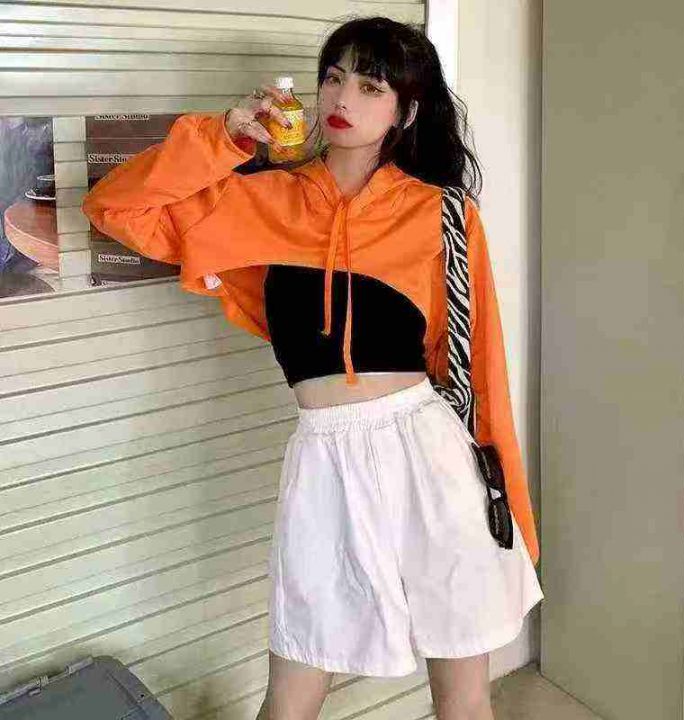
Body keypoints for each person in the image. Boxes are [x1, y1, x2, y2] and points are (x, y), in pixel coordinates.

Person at [82, 16, 544, 720]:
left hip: (431, 457)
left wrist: (511, 508)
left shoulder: (441, 214)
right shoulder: (260, 200)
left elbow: (480, 368)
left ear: (406, 111)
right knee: (291, 694)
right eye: (334, 77)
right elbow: (115, 206)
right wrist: (227, 138)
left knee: (463, 701)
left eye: (371, 86)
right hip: (324, 458)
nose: (343, 98)